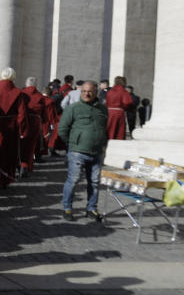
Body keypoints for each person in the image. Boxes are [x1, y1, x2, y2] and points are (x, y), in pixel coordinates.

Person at [58, 80, 108, 222]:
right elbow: (62, 129)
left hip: (96, 152)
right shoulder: (73, 108)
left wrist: (102, 144)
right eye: (84, 91)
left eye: (90, 91)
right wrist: (73, 143)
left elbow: (104, 128)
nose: (87, 93)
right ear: (81, 92)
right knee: (73, 180)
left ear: (96, 93)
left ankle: (91, 208)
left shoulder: (103, 109)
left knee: (94, 182)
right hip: (77, 151)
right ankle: (67, 208)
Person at [0, 67, 29, 186]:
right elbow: (22, 114)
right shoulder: (18, 92)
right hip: (11, 129)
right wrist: (22, 130)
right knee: (9, 155)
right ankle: (6, 179)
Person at [20, 77, 50, 175]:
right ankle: (26, 167)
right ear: (35, 85)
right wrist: (45, 125)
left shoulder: (21, 93)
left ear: (26, 84)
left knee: (20, 145)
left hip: (22, 121)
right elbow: (44, 114)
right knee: (30, 147)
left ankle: (19, 165)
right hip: (34, 123)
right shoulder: (40, 96)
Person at [104, 76, 135, 140]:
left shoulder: (110, 91)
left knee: (109, 129)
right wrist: (127, 108)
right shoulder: (123, 91)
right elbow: (127, 102)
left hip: (109, 112)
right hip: (118, 113)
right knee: (119, 132)